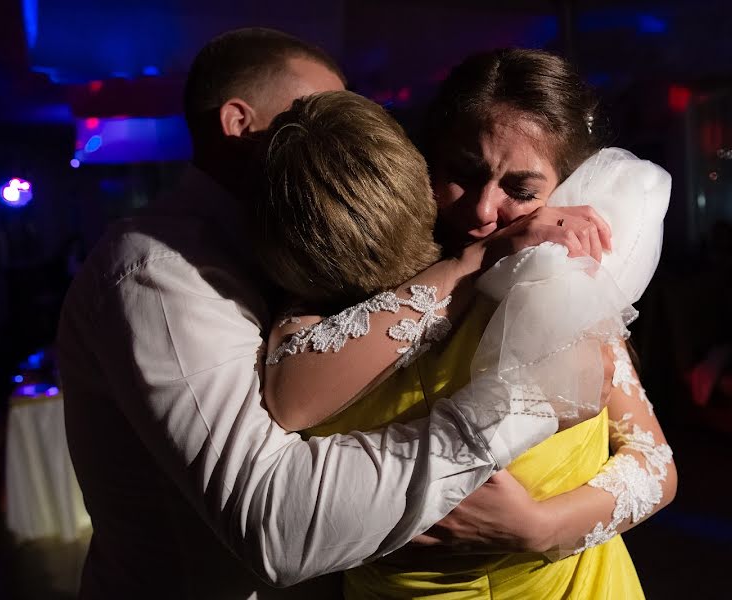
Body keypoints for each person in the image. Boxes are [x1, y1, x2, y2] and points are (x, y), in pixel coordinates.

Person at [56, 29, 613, 599]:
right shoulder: (155, 272)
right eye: (309, 108)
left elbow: (646, 453)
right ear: (237, 122)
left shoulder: (340, 243)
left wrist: (548, 525)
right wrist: (528, 407)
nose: (335, 125)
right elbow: (275, 519)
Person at [257, 50, 675, 598]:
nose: (482, 210)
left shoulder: (569, 287)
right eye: (463, 174)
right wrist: (471, 265)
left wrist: (538, 529)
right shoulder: (353, 262)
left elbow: (654, 465)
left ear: (565, 190)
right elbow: (291, 398)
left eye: (520, 191)